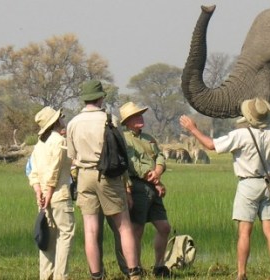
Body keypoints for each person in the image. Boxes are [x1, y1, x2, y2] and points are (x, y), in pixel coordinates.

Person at [179, 97, 270, 280]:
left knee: (245, 232)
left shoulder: (240, 135)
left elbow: (210, 145)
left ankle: (241, 274)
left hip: (248, 185)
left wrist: (193, 129)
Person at [66, 80, 143, 280]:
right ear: (100, 97)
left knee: (90, 230)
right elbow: (121, 154)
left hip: (84, 176)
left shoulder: (73, 123)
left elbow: (72, 155)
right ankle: (134, 273)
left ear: (85, 99)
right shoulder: (110, 119)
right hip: (109, 176)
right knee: (124, 226)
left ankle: (96, 275)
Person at [119, 101, 172, 277]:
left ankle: (159, 265)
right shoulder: (125, 140)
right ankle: (136, 267)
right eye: (135, 116)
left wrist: (158, 171)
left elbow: (160, 156)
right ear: (127, 121)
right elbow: (132, 165)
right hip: (138, 187)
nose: (140, 117)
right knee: (137, 229)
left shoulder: (148, 138)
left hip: (153, 187)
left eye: (140, 114)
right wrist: (155, 181)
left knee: (164, 227)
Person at [28, 106, 75, 280]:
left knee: (47, 237)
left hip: (44, 196)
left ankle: (45, 275)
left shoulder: (39, 144)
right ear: (55, 122)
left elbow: (33, 171)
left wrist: (38, 191)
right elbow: (55, 169)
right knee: (66, 234)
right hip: (58, 194)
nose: (63, 119)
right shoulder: (59, 141)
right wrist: (48, 192)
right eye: (60, 117)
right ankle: (60, 276)